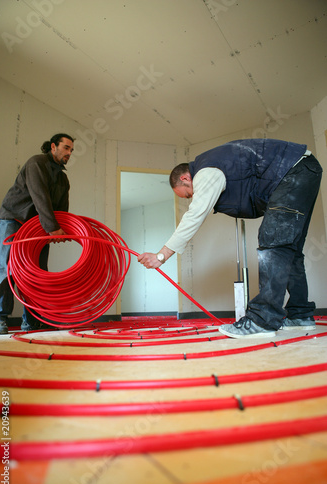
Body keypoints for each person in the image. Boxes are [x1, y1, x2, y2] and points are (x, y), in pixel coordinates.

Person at [137, 138, 323, 339]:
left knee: (273, 241)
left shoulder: (205, 171)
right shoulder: (215, 166)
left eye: (188, 194)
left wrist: (162, 256)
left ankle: (263, 320)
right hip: (304, 170)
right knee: (290, 249)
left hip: (292, 170)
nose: (192, 197)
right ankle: (299, 314)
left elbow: (195, 214)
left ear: (185, 178)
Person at [0, 133, 74, 335]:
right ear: (53, 147)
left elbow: (61, 211)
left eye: (71, 150)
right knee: (6, 268)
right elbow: (40, 197)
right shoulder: (37, 163)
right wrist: (52, 227)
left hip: (37, 226)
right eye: (66, 148)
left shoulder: (63, 179)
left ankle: (32, 321)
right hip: (14, 219)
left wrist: (65, 230)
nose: (69, 153)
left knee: (37, 272)